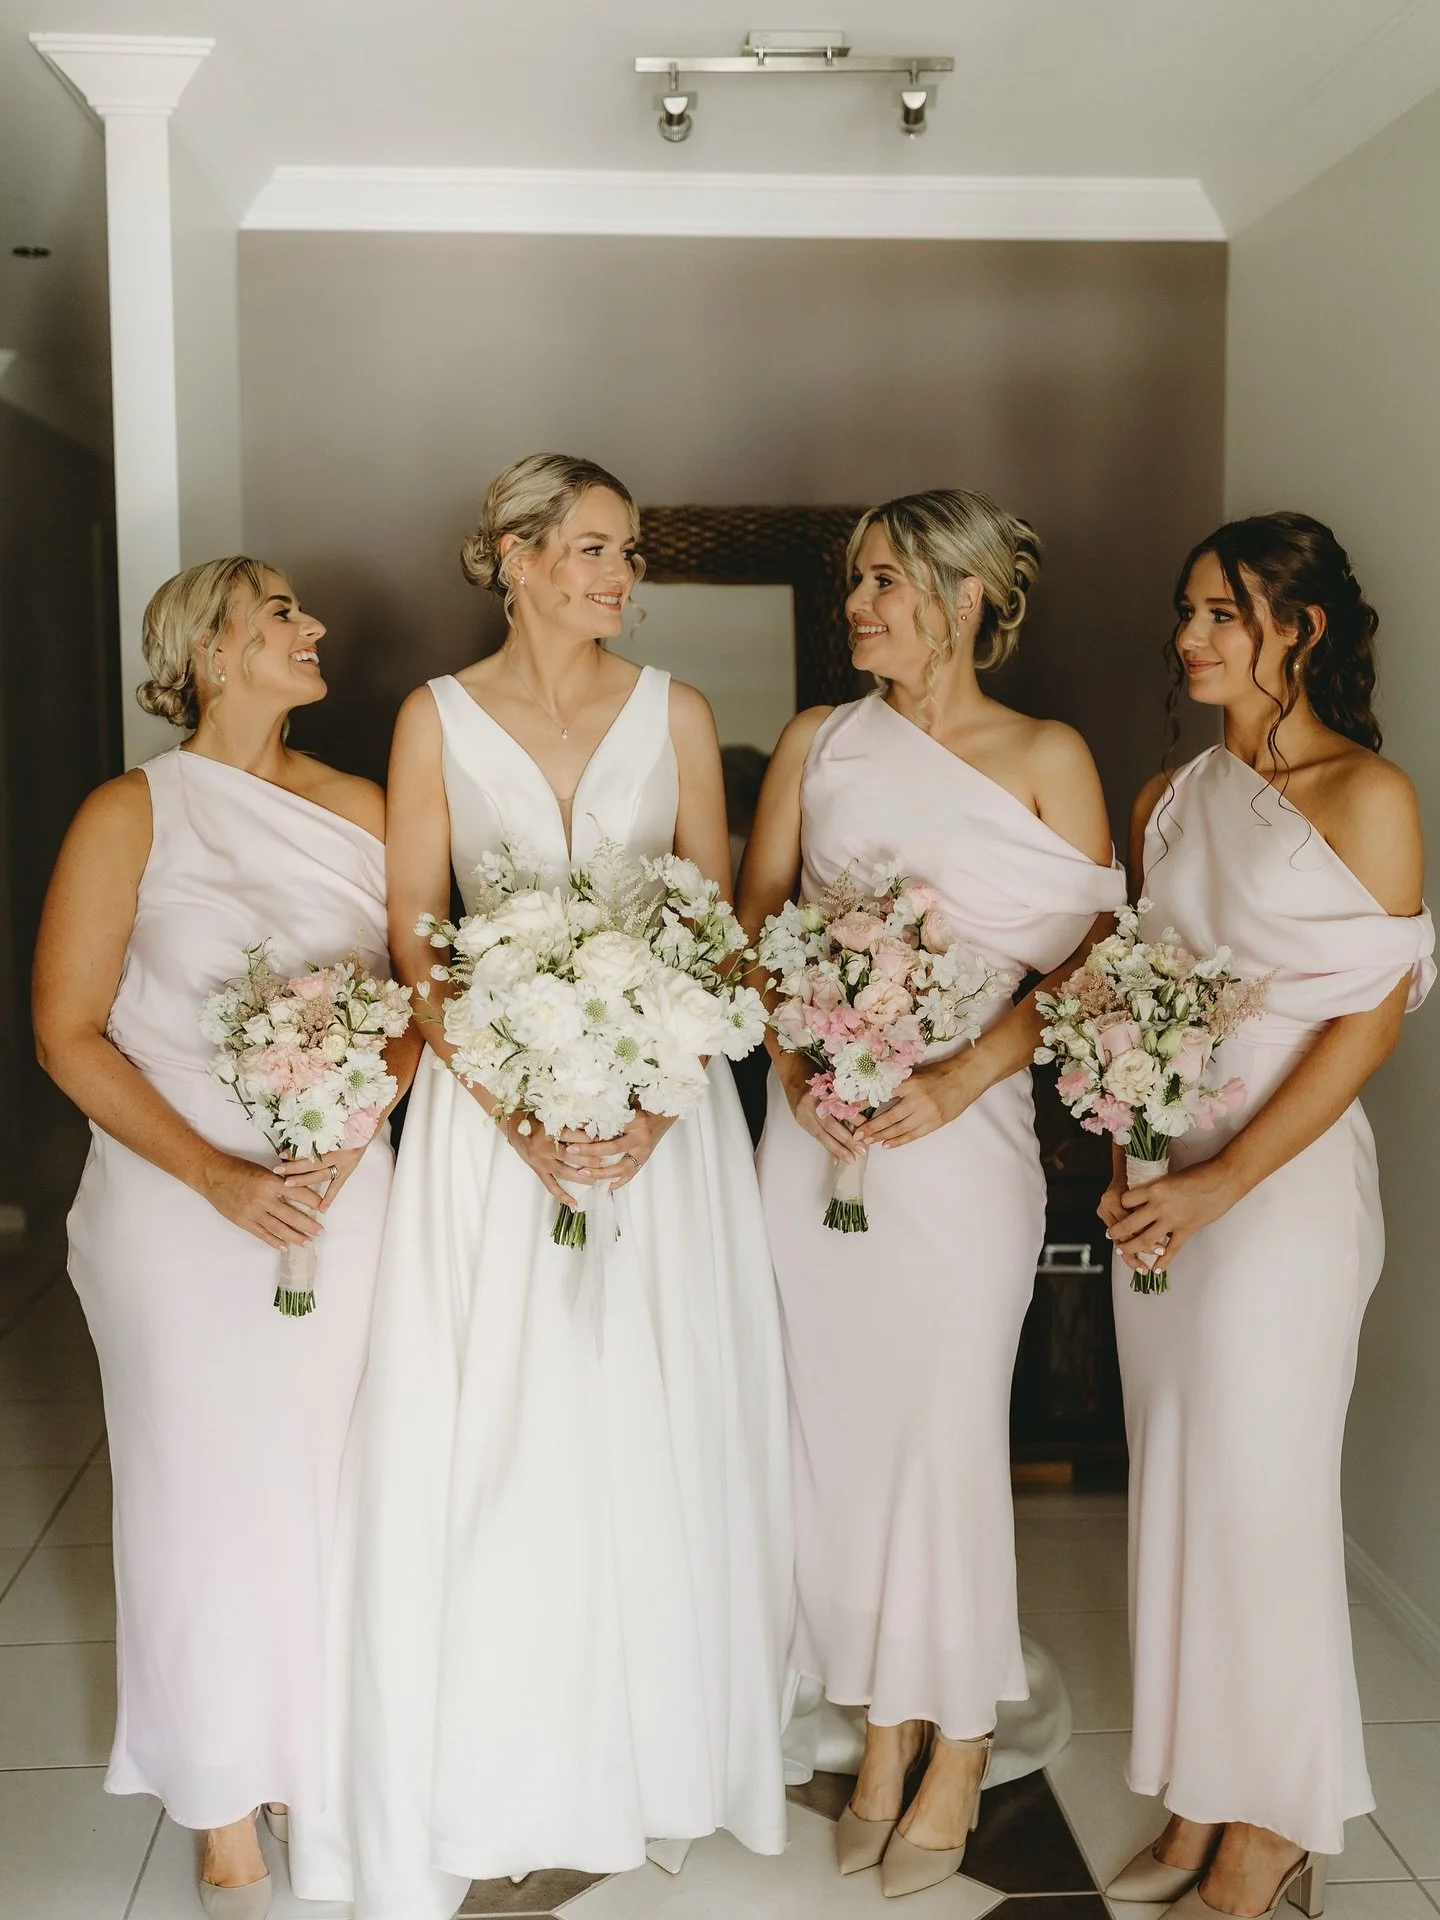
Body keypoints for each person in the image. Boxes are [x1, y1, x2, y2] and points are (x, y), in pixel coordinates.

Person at [289, 454, 792, 1919]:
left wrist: (657, 1104)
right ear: (509, 558)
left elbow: (719, 923)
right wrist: (518, 1113)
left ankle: (654, 1760)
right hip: (489, 1126)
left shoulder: (679, 714)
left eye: (627, 553)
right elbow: (416, 933)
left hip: (660, 1127)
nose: (617, 576)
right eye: (587, 549)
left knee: (650, 1409)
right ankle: (504, 1765)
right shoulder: (433, 718)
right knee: (506, 1422)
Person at [740, 488, 1125, 1898]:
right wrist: (797, 1065)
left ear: (969, 598)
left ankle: (960, 1738)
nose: (860, 605)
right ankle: (883, 1734)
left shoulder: (1047, 754)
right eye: (855, 582)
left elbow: (1092, 962)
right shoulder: (814, 743)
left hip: (963, 1147)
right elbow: (753, 929)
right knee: (837, 1444)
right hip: (818, 1142)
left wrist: (958, 1079)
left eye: (889, 581)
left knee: (945, 1434)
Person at [33, 558, 414, 1919]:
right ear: (208, 654)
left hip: (337, 1187)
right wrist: (216, 1176)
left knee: (328, 1483)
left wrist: (351, 1130)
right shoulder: (130, 813)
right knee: (197, 1493)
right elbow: (66, 1031)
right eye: (280, 617)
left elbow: (416, 1001)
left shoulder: (366, 808)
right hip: (173, 1207)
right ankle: (220, 1814)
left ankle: (313, 1759)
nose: (314, 630)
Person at [1103, 514, 1433, 1920]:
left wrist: (1224, 1182)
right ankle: (1197, 1787)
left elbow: (1368, 1022)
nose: (1194, 637)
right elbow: (1131, 989)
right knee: (1178, 1491)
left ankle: (1278, 1825)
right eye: (1189, 610)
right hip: (1162, 1184)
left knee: (1266, 1506)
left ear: (1299, 630)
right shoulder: (1165, 796)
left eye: (1225, 614)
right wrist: (1132, 1158)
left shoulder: (1368, 794)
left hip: (1280, 1195)